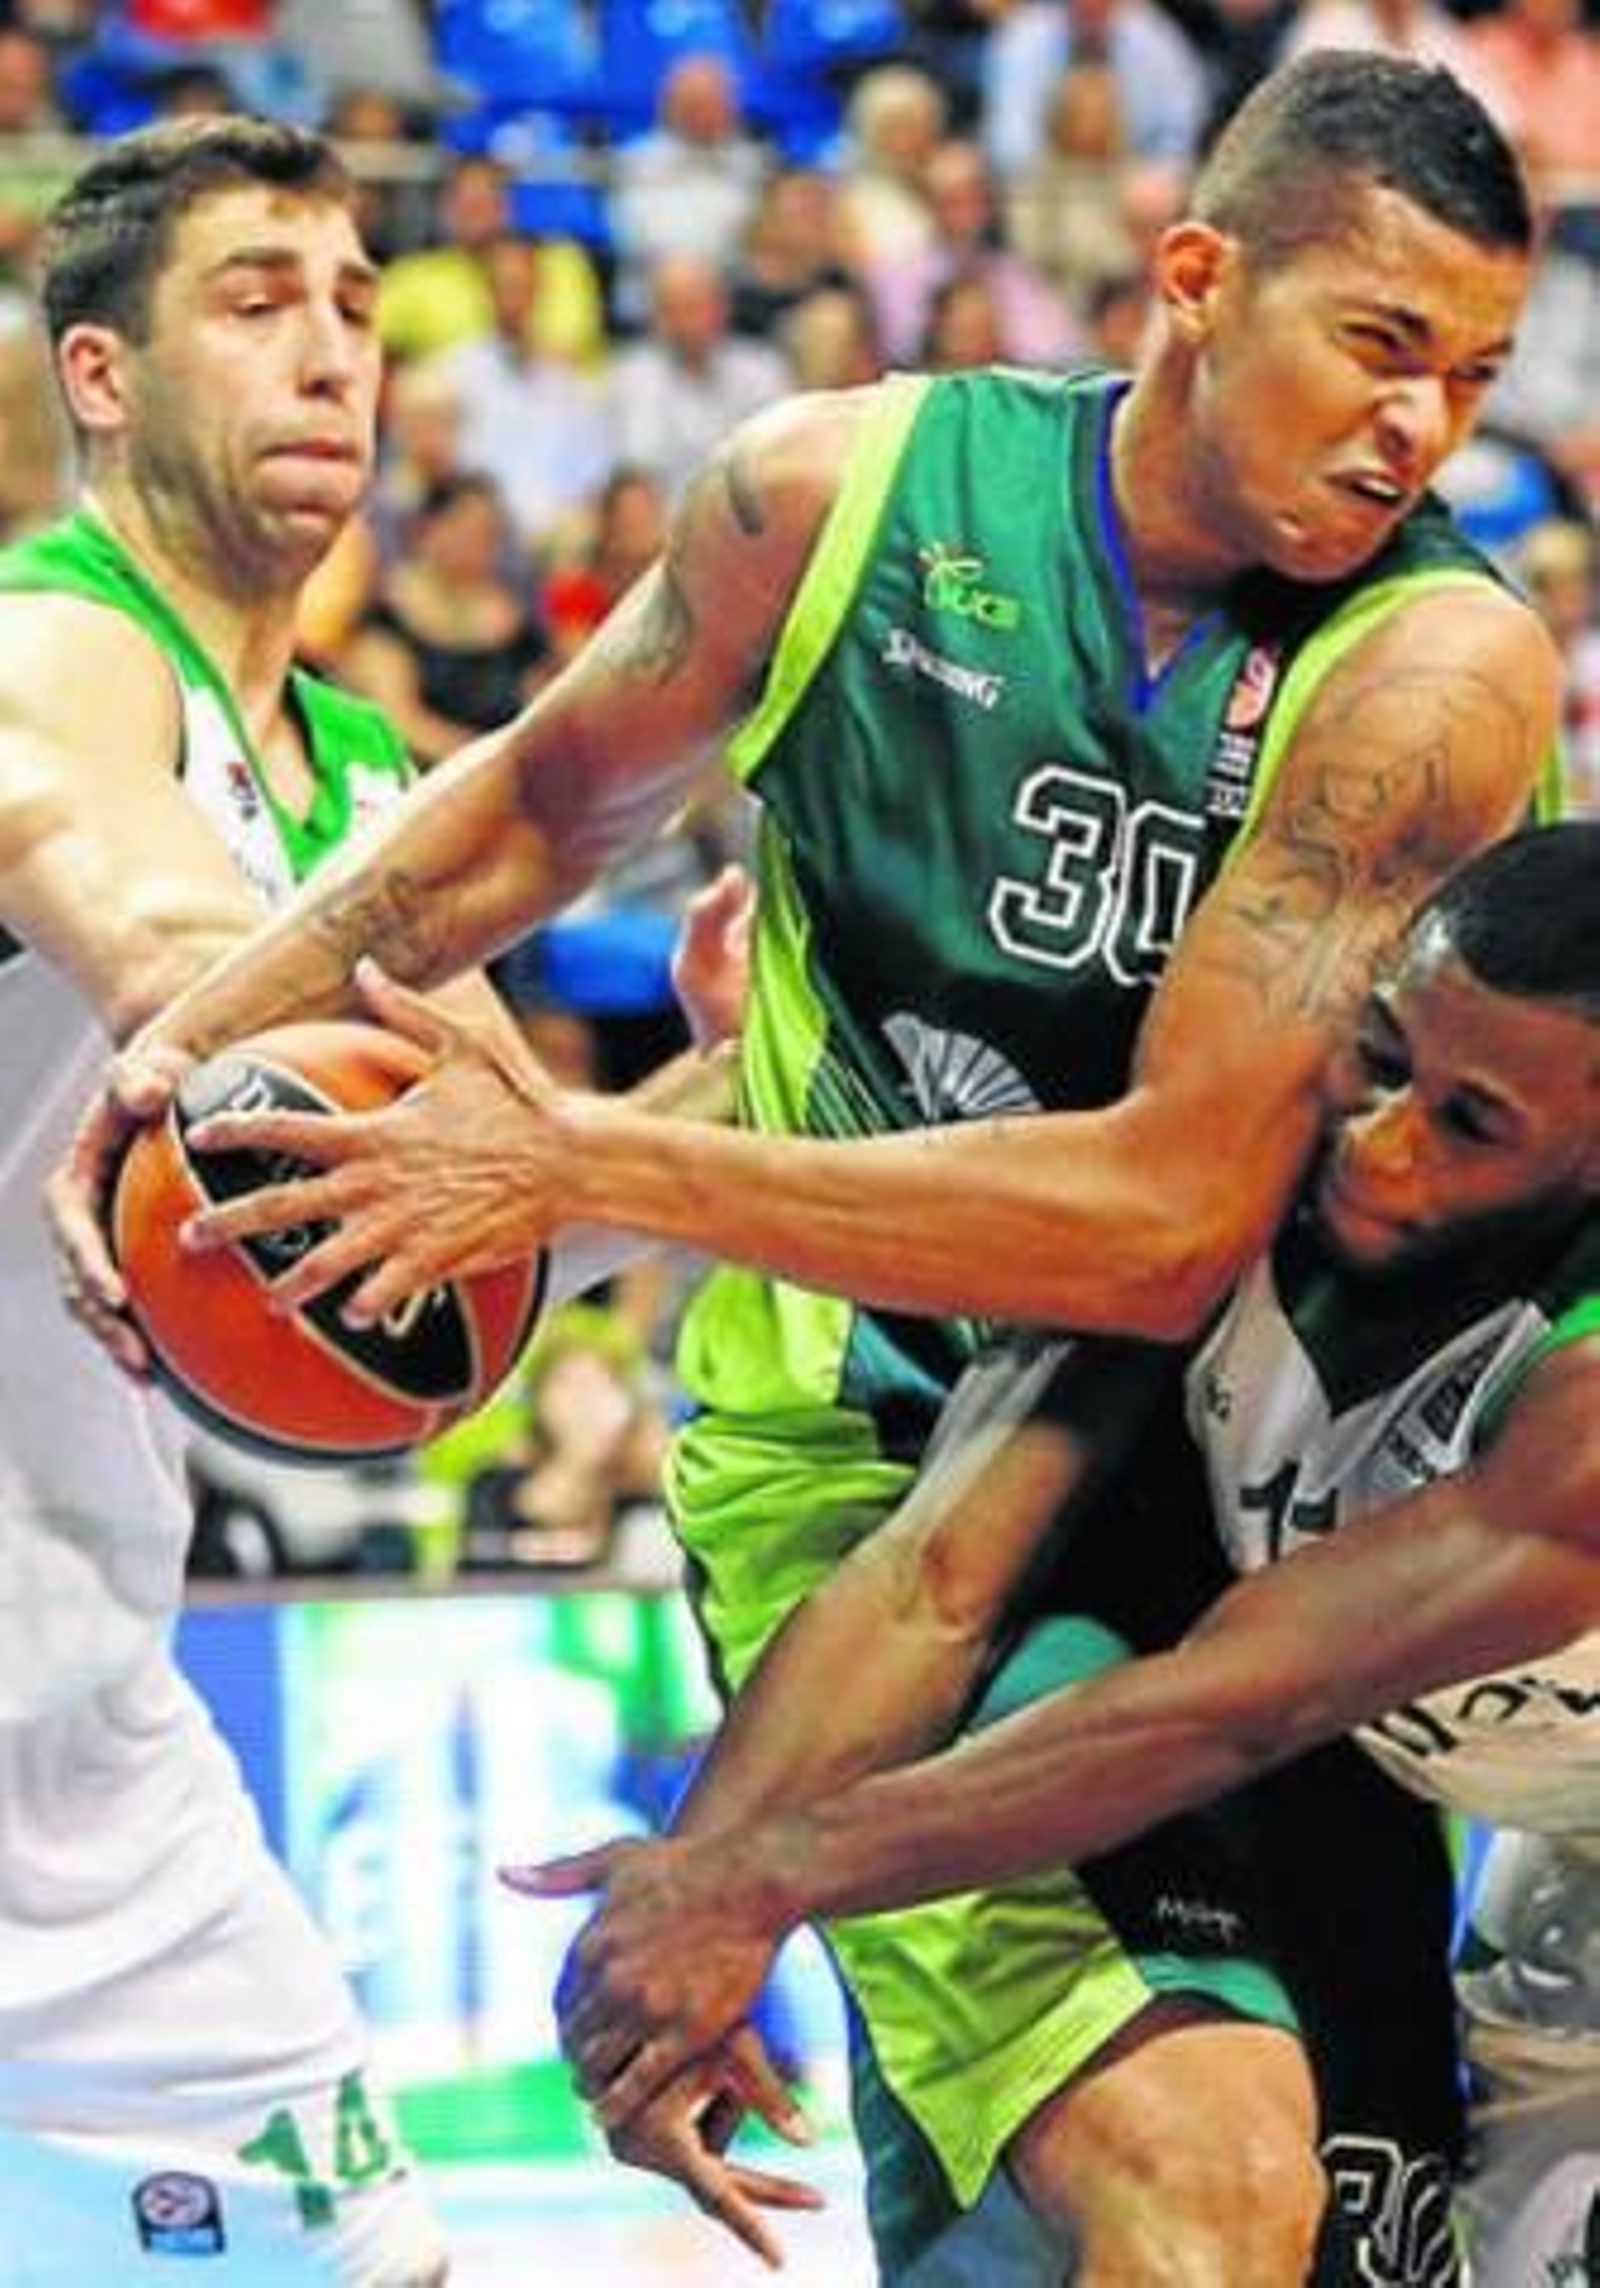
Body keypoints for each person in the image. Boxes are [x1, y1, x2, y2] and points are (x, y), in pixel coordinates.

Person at [52, 51, 1560, 2287]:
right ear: (1190, 278)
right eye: (1373, 347)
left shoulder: (1429, 667)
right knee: (1203, 2184)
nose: (1418, 432)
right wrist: (195, 1027)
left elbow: (1159, 1226)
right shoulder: (835, 498)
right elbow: (541, 805)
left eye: (1467, 376)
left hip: (1220, 1475)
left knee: (1327, 2225)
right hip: (861, 1457)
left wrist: (577, 1156)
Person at [0, 113, 734, 2287]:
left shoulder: (373, 792)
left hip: (80, 1716)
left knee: (367, 2267)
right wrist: (206, 1020)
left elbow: (486, 1227)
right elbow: (124, 897)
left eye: (348, 306)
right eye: (253, 302)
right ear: (100, 376)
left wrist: (743, 1074)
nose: (329, 354)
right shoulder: (55, 649)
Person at [519, 818, 1600, 2288]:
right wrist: (697, 1891)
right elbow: (942, 1570)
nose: (1382, 1139)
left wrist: (768, 1876)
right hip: (1521, 1835)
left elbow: (1232, 1707)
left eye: (1469, 1125)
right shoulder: (1248, 1161)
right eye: (1388, 1055)